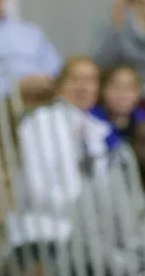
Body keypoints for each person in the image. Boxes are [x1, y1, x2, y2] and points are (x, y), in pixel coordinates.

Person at [8, 57, 115, 263]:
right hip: (44, 234)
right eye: (75, 80)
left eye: (91, 80)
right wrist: (85, 214)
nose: (84, 87)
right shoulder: (39, 123)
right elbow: (39, 190)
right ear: (59, 86)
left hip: (87, 239)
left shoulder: (97, 130)